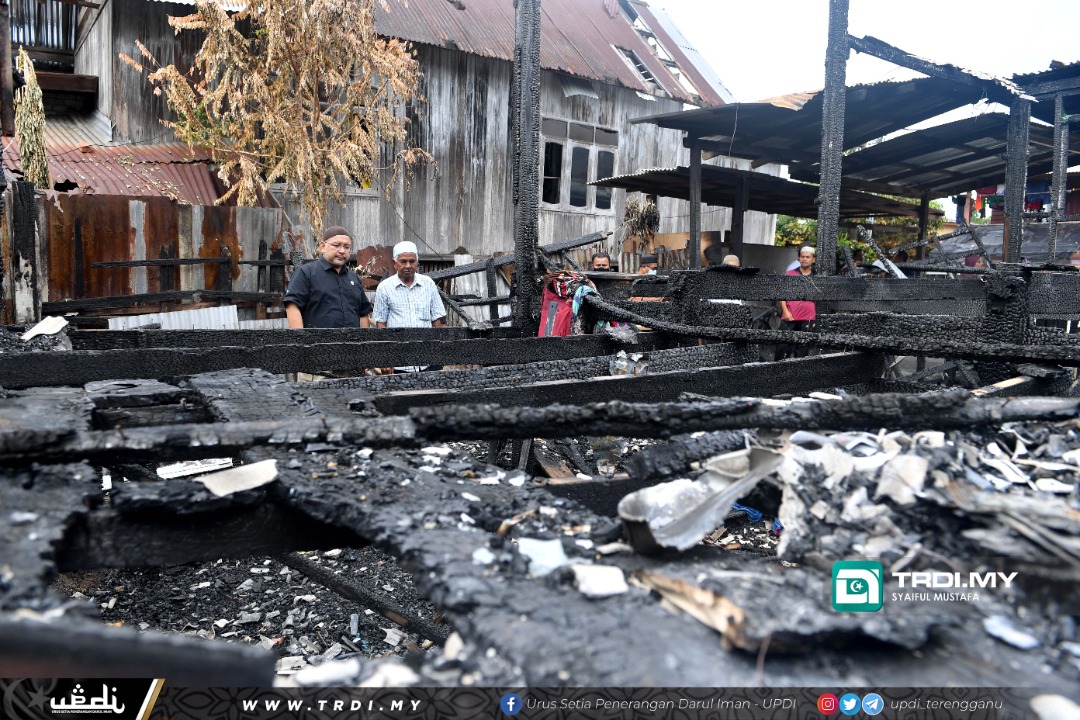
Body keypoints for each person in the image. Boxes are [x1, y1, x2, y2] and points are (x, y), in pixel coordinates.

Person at [373, 240, 447, 372]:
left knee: (431, 392)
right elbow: (381, 325)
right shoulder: (384, 288)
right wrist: (384, 358)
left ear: (417, 263)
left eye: (412, 261)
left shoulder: (428, 284)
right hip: (398, 362)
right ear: (395, 264)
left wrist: (440, 353)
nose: (408, 265)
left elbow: (438, 321)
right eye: (403, 261)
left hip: (427, 360)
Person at [284, 226, 372, 329]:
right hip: (317, 343)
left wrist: (364, 342)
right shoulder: (306, 273)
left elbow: (363, 313)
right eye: (336, 245)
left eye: (347, 247)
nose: (342, 251)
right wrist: (299, 340)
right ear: (322, 246)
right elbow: (292, 306)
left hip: (352, 343)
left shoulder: (353, 278)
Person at [778, 246, 816, 359]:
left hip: (809, 317)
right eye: (802, 257)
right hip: (790, 315)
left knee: (802, 349)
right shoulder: (790, 274)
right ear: (799, 258)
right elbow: (782, 294)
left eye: (807, 257)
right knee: (783, 346)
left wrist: (815, 319)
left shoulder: (817, 277)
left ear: (813, 259)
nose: (804, 259)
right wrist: (785, 311)